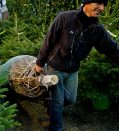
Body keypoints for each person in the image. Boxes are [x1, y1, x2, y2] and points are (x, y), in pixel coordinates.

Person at [34, 0, 119, 130]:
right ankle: (56, 128)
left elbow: (111, 48)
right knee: (58, 101)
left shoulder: (97, 29)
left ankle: (49, 103)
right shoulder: (65, 17)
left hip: (73, 70)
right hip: (55, 67)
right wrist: (40, 63)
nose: (102, 8)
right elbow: (49, 40)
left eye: (104, 5)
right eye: (99, 3)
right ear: (87, 2)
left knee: (70, 99)